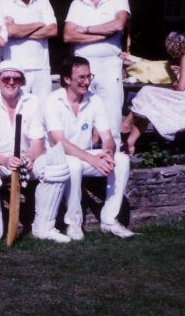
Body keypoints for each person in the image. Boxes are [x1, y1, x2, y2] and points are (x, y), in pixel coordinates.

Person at [0, 61, 71, 244]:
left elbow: (37, 141)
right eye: (6, 78)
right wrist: (4, 160)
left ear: (22, 82)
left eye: (16, 79)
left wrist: (30, 157)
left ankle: (45, 228)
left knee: (56, 165)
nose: (11, 82)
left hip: (27, 161)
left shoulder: (32, 102)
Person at [45, 56, 134, 239]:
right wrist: (92, 159)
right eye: (81, 78)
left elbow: (108, 137)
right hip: (58, 158)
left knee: (122, 160)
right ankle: (73, 223)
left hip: (85, 156)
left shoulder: (95, 100)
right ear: (67, 79)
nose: (87, 82)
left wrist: (108, 153)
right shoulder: (52, 101)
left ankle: (109, 220)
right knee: (74, 165)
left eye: (89, 76)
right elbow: (59, 142)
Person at [63, 0, 130, 147]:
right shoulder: (77, 4)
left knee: (111, 118)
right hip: (81, 66)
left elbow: (118, 24)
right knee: (82, 116)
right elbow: (68, 35)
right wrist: (101, 35)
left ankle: (114, 166)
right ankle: (85, 164)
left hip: (109, 65)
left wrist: (84, 29)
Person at [123, 32, 185, 154]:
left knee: (147, 92)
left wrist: (172, 74)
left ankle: (126, 124)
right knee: (147, 104)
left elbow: (181, 89)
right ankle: (130, 143)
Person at [0, 0, 58, 103]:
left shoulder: (42, 0)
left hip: (41, 69)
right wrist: (38, 24)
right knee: (18, 113)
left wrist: (19, 30)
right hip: (16, 68)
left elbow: (53, 30)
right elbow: (9, 31)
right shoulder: (3, 1)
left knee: (42, 115)